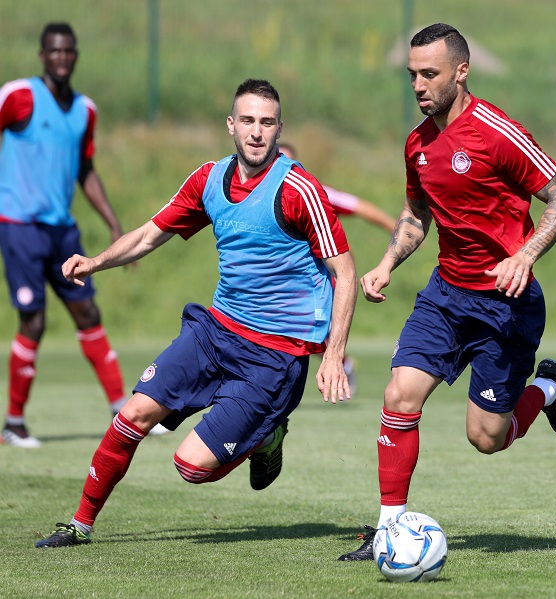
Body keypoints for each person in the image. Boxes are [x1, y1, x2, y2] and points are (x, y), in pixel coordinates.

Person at [34, 78, 357, 548]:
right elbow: (150, 234)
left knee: (190, 466)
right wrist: (96, 261)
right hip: (216, 331)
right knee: (133, 413)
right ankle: (79, 525)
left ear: (279, 128)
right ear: (231, 125)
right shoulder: (208, 179)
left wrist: (333, 354)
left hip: (274, 355)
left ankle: (267, 437)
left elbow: (344, 272)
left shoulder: (297, 189)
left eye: (267, 122)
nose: (256, 132)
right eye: (247, 120)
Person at [338, 23, 556, 561]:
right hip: (445, 296)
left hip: (506, 304)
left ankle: (546, 389)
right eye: (412, 75)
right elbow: (416, 212)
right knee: (399, 395)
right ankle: (388, 530)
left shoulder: (498, 131)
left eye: (430, 74)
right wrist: (386, 264)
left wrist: (525, 255)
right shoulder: (417, 144)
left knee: (486, 437)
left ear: (462, 71)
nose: (418, 85)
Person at [0, 23, 136, 448]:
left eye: (68, 51)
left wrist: (113, 223)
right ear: (42, 55)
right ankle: (14, 424)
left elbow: (86, 171)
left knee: (88, 313)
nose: (62, 58)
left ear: (75, 56)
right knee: (34, 321)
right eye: (54, 51)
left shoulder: (84, 111)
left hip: (62, 233)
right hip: (20, 228)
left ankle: (123, 410)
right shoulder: (18, 96)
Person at [279, 141, 393, 395]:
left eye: (286, 162)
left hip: (318, 281)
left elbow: (361, 207)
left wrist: (397, 229)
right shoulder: (258, 195)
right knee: (297, 333)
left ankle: (340, 363)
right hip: (284, 281)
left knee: (306, 332)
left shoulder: (313, 193)